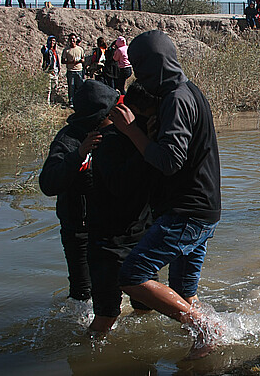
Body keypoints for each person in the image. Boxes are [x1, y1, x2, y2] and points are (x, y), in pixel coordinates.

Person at [109, 30, 222, 360]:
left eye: (141, 69)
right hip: (203, 208)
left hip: (186, 210)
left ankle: (206, 329)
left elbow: (170, 161)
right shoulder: (189, 90)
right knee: (184, 294)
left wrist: (131, 130)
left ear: (156, 65)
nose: (139, 78)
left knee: (131, 276)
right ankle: (205, 350)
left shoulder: (176, 98)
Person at [87, 81, 160, 334]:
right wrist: (142, 142)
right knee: (105, 318)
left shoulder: (142, 139)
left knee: (146, 311)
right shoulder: (108, 143)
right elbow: (120, 186)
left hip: (140, 236)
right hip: (108, 244)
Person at [38, 81, 113, 303]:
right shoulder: (68, 140)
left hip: (110, 227)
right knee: (82, 295)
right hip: (78, 229)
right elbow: (48, 184)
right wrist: (79, 154)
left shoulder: (115, 134)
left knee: (126, 282)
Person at [61, 33, 85, 108]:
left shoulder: (80, 49)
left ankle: (79, 101)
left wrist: (80, 61)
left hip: (79, 70)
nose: (72, 40)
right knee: (71, 87)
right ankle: (71, 101)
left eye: (73, 39)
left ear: (76, 39)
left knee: (79, 87)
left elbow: (83, 59)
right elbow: (63, 60)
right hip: (71, 70)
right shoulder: (66, 50)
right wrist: (71, 62)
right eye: (70, 39)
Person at [41, 35, 61, 105]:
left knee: (54, 88)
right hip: (49, 71)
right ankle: (47, 103)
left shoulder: (55, 51)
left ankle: (52, 102)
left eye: (54, 41)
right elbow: (44, 52)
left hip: (55, 72)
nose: (52, 42)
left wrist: (58, 69)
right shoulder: (47, 50)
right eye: (51, 41)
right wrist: (44, 49)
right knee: (48, 89)